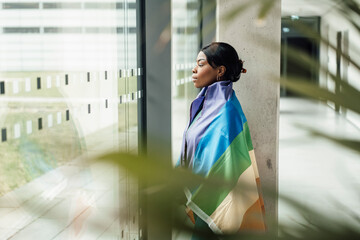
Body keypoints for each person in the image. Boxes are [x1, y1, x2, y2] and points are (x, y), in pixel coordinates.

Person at [177, 42, 266, 239]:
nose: (194, 69)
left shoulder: (226, 111)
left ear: (220, 70)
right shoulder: (208, 105)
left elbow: (227, 166)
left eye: (201, 64)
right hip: (204, 193)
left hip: (213, 198)